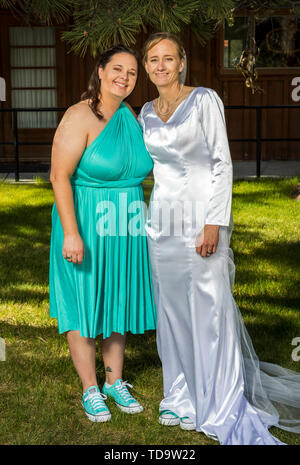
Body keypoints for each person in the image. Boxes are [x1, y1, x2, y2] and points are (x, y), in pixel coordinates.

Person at [138, 32, 300, 445]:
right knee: (171, 311)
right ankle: (179, 394)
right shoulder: (146, 111)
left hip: (199, 221)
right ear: (146, 66)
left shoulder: (204, 100)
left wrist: (213, 222)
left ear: (182, 63)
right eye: (153, 59)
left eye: (168, 59)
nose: (160, 66)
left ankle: (218, 399)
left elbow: (221, 164)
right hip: (161, 224)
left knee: (208, 309)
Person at [49, 45, 156, 423]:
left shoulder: (132, 116)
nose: (124, 77)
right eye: (117, 69)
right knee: (84, 302)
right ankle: (90, 389)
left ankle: (115, 382)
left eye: (131, 71)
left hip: (125, 222)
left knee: (116, 301)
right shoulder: (80, 116)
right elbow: (59, 176)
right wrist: (71, 234)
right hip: (85, 222)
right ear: (100, 71)